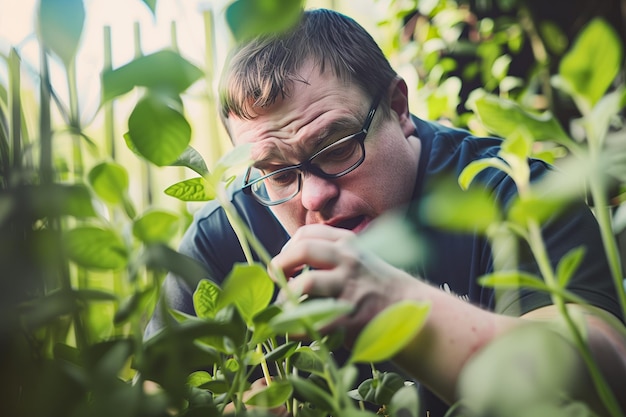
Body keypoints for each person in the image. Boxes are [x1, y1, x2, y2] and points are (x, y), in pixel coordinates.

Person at [145, 8, 626, 416]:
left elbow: (604, 371)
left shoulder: (507, 188)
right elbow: (149, 398)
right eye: (275, 172)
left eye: (335, 146)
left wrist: (396, 306)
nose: (312, 197)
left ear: (399, 108)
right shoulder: (224, 238)